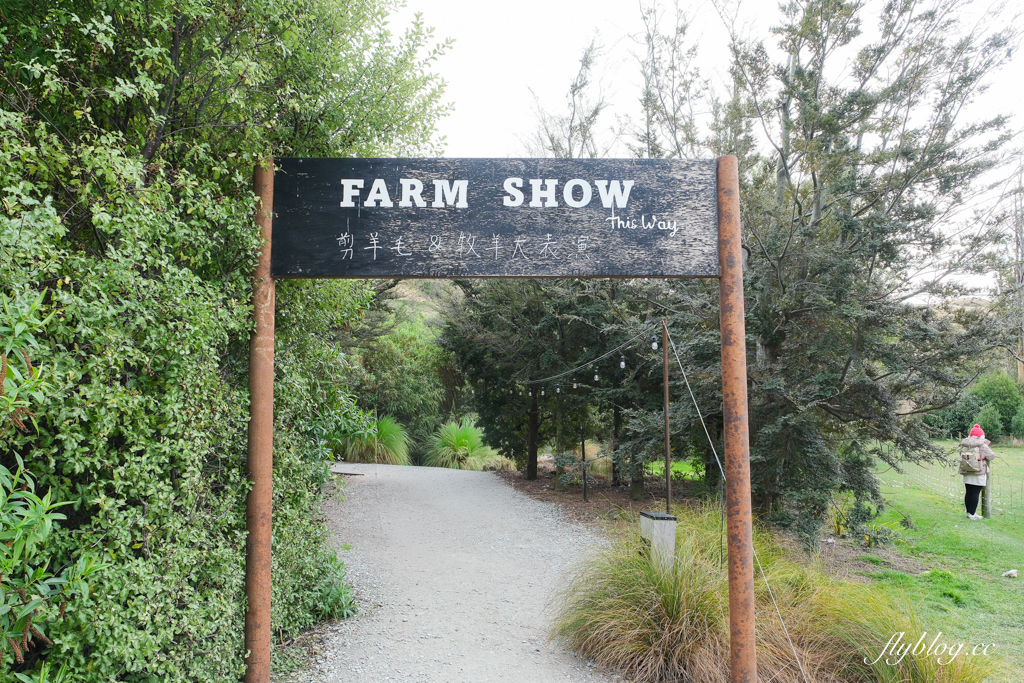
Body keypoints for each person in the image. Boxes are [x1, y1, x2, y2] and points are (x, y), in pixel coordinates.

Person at [959, 424, 995, 520]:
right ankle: (972, 514)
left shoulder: (964, 444)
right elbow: (991, 456)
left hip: (966, 470)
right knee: (975, 492)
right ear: (981, 435)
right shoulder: (981, 444)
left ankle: (968, 512)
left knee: (969, 492)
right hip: (978, 471)